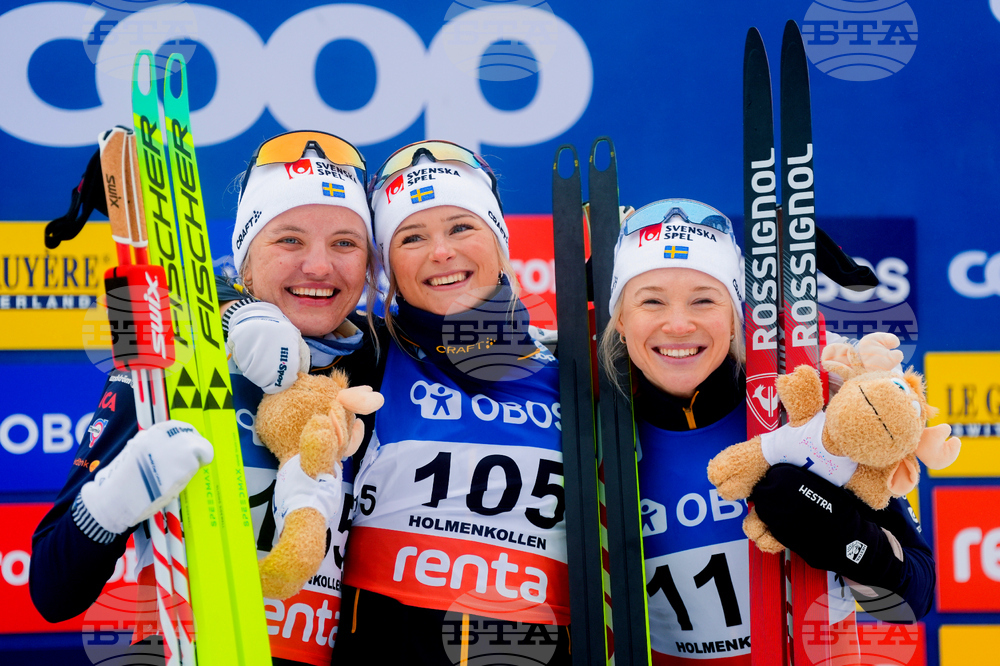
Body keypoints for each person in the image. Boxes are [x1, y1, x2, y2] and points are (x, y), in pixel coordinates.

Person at [30, 130, 384, 666]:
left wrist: (228, 306)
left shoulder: (376, 361)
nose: (318, 266)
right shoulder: (175, 356)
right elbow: (52, 591)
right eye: (288, 239)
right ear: (244, 259)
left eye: (345, 242)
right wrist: (115, 499)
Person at [598, 199, 934, 664]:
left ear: (735, 314)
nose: (678, 324)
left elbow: (912, 600)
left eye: (704, 299)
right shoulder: (591, 426)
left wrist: (847, 540)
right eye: (651, 300)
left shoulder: (805, 412)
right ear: (621, 318)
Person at [333, 141, 570, 664]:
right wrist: (241, 312)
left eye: (461, 227)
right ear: (389, 266)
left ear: (499, 240)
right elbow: (277, 301)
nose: (441, 252)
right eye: (412, 237)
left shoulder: (570, 371)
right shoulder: (367, 353)